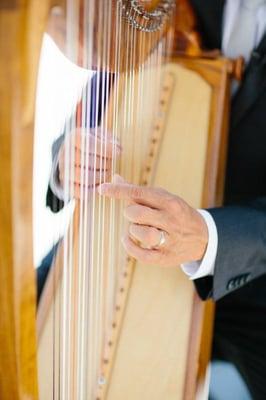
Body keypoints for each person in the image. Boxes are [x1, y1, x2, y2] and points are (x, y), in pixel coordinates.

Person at [45, 0, 266, 398]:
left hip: (256, 281)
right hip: (124, 241)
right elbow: (104, 84)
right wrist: (67, 162)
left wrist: (208, 235)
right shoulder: (161, 6)